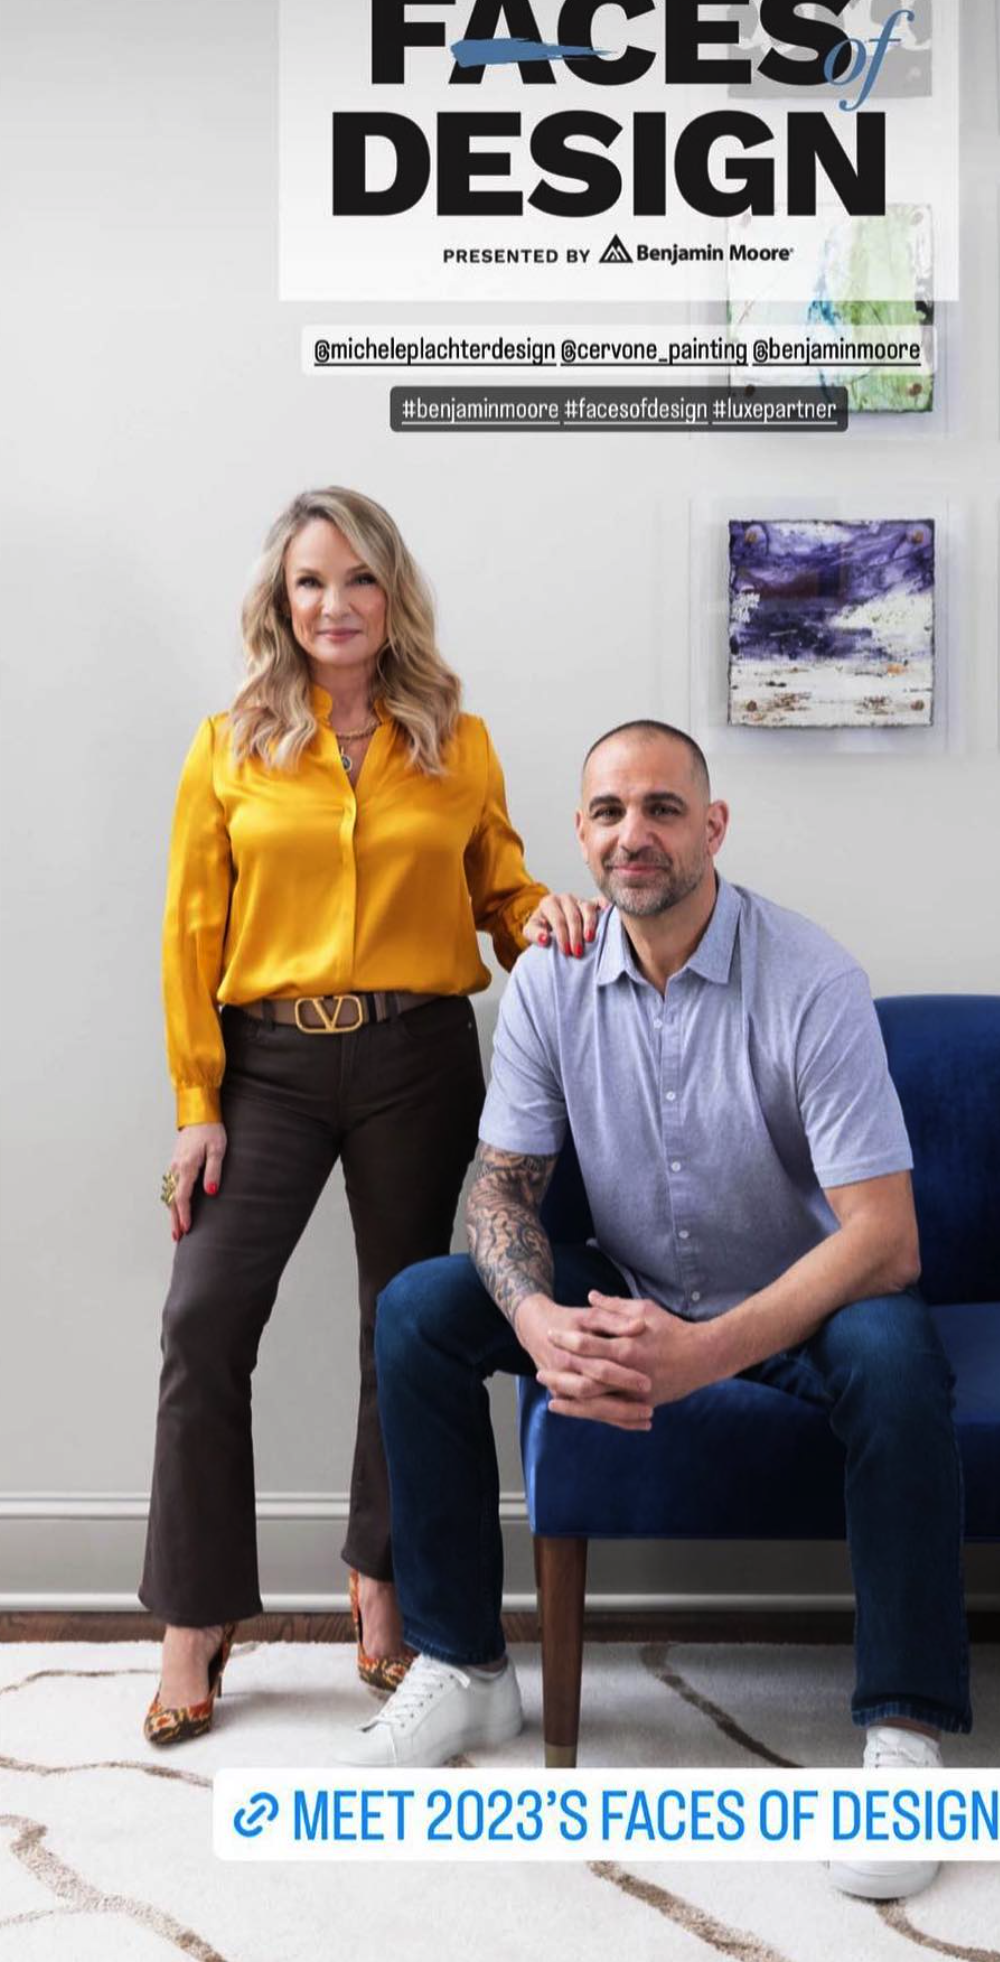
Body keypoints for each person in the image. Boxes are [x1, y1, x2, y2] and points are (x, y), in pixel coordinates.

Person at [342, 718, 972, 1903]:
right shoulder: (551, 976)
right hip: (630, 1285)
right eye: (609, 812)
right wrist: (535, 1323)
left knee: (896, 1354)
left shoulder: (812, 977)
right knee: (423, 1308)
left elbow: (886, 1240)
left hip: (801, 1296)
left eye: (664, 809)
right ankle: (466, 1667)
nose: (636, 834)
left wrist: (704, 1356)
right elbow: (499, 1191)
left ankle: (905, 1737)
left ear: (713, 827)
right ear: (580, 835)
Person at [139, 486, 598, 1745]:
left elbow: (498, 890)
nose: (333, 605)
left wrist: (542, 914)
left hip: (420, 1060)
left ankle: (381, 1592)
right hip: (267, 1070)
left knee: (404, 1329)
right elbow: (190, 934)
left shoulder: (459, 738)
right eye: (308, 584)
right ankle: (196, 1618)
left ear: (391, 595)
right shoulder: (227, 744)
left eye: (356, 580)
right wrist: (196, 1102)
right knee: (204, 1316)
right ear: (280, 605)